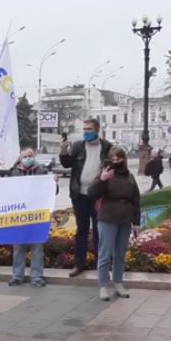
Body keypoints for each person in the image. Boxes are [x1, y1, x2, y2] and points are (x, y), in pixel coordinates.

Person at [59, 118, 112, 278]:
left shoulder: (107, 147)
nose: (86, 132)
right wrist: (63, 151)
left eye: (89, 129)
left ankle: (100, 265)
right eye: (84, 129)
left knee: (99, 231)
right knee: (81, 230)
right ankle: (79, 264)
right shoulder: (78, 146)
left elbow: (112, 166)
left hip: (98, 196)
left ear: (97, 130)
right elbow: (67, 164)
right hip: (79, 194)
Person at [88, 147, 140, 301]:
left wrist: (136, 221)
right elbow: (91, 193)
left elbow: (136, 200)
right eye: (114, 159)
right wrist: (101, 180)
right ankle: (103, 285)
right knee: (105, 254)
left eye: (119, 159)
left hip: (125, 219)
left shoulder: (129, 176)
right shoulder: (105, 173)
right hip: (108, 218)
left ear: (124, 159)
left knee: (120, 254)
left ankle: (118, 282)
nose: (116, 162)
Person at [8, 148, 57, 287]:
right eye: (25, 156)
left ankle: (37, 277)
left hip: (37, 215)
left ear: (34, 157)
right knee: (18, 247)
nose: (28, 158)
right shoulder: (13, 172)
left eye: (30, 156)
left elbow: (52, 192)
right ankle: (17, 276)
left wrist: (54, 183)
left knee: (37, 247)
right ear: (20, 158)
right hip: (19, 216)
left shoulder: (42, 172)